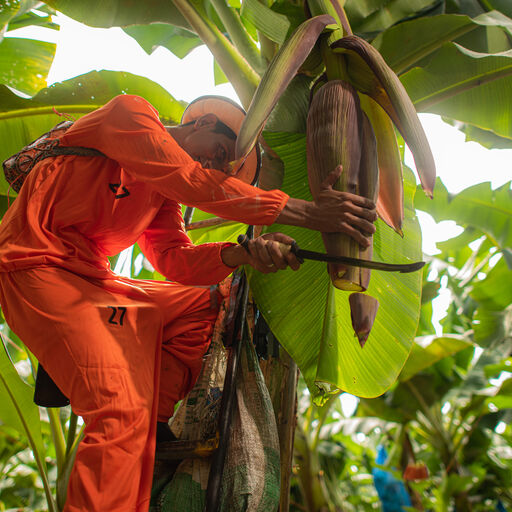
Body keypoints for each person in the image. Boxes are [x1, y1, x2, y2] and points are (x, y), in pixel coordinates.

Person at [0, 94, 376, 512]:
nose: (215, 167)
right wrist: (304, 212)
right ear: (205, 122)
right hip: (33, 268)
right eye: (219, 153)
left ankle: (154, 420)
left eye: (226, 169)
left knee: (206, 302)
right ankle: (130, 419)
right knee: (120, 413)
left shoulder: (163, 195)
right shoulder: (131, 115)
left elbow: (174, 260)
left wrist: (242, 253)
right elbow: (189, 179)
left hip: (96, 285)